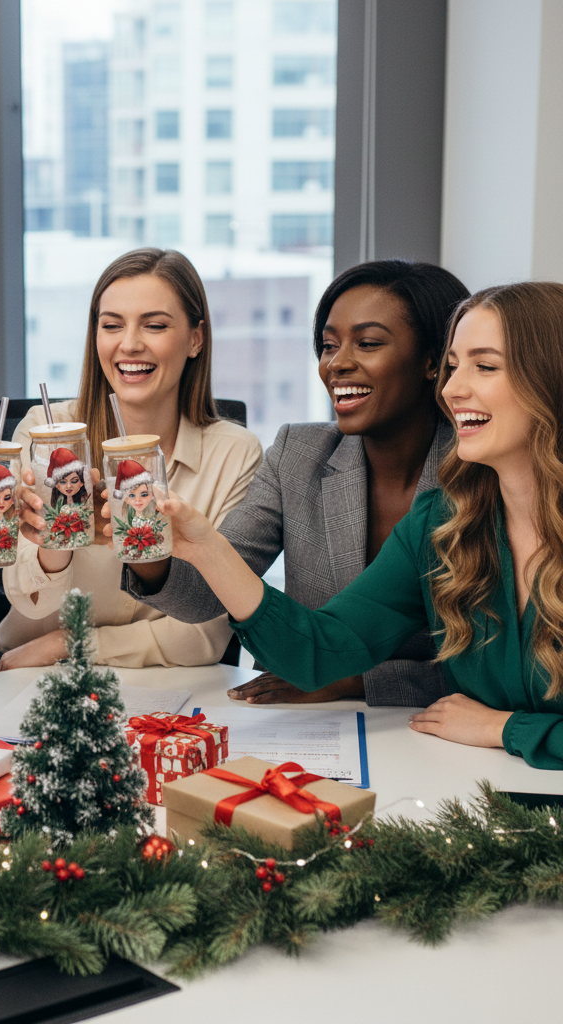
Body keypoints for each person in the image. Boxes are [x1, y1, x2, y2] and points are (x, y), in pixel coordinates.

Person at [134, 281, 563, 769]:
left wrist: (504, 728)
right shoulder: (443, 522)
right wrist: (206, 547)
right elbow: (319, 650)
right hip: (480, 786)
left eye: (484, 367)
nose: (451, 389)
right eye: (454, 366)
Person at [124, 260, 469, 706]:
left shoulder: (478, 474)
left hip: (432, 722)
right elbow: (206, 597)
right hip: (300, 721)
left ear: (433, 361)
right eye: (328, 346)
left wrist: (355, 682)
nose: (337, 363)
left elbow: (493, 669)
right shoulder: (298, 453)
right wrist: (147, 550)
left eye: (367, 343)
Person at [0, 248, 262, 670]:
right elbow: (30, 601)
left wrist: (70, 643)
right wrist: (55, 542)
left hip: (167, 686)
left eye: (154, 325)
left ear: (195, 338)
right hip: (35, 678)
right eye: (112, 325)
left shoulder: (236, 453)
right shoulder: (44, 432)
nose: (130, 344)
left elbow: (206, 632)